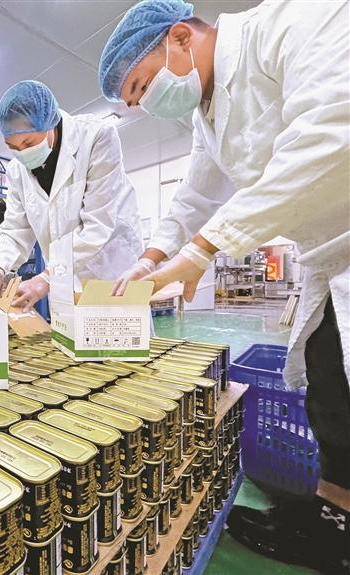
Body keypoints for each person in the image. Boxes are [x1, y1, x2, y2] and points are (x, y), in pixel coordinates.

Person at [100, 0, 349, 570]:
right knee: (331, 386)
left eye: (142, 85)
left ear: (180, 38)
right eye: (134, 100)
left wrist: (201, 253)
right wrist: (151, 258)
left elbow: (331, 133)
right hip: (330, 256)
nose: (144, 105)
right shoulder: (206, 115)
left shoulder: (292, 24)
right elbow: (195, 195)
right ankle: (331, 514)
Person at [0, 80, 143, 310]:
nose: (22, 153)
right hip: (62, 280)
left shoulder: (96, 137)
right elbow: (16, 229)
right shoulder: (16, 170)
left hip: (110, 269)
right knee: (68, 332)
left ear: (50, 124)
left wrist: (47, 277)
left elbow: (97, 224)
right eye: (13, 147)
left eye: (28, 142)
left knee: (119, 331)